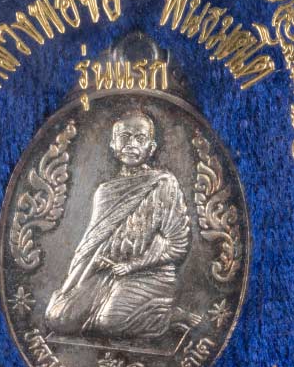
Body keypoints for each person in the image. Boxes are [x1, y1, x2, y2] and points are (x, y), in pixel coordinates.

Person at [45, 111, 191, 340]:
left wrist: (132, 265)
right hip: (107, 272)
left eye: (140, 138)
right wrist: (76, 282)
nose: (131, 144)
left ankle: (168, 314)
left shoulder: (163, 184)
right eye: (124, 137)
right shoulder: (104, 192)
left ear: (151, 148)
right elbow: (91, 245)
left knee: (107, 323)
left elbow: (178, 245)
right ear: (113, 145)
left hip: (150, 274)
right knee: (58, 318)